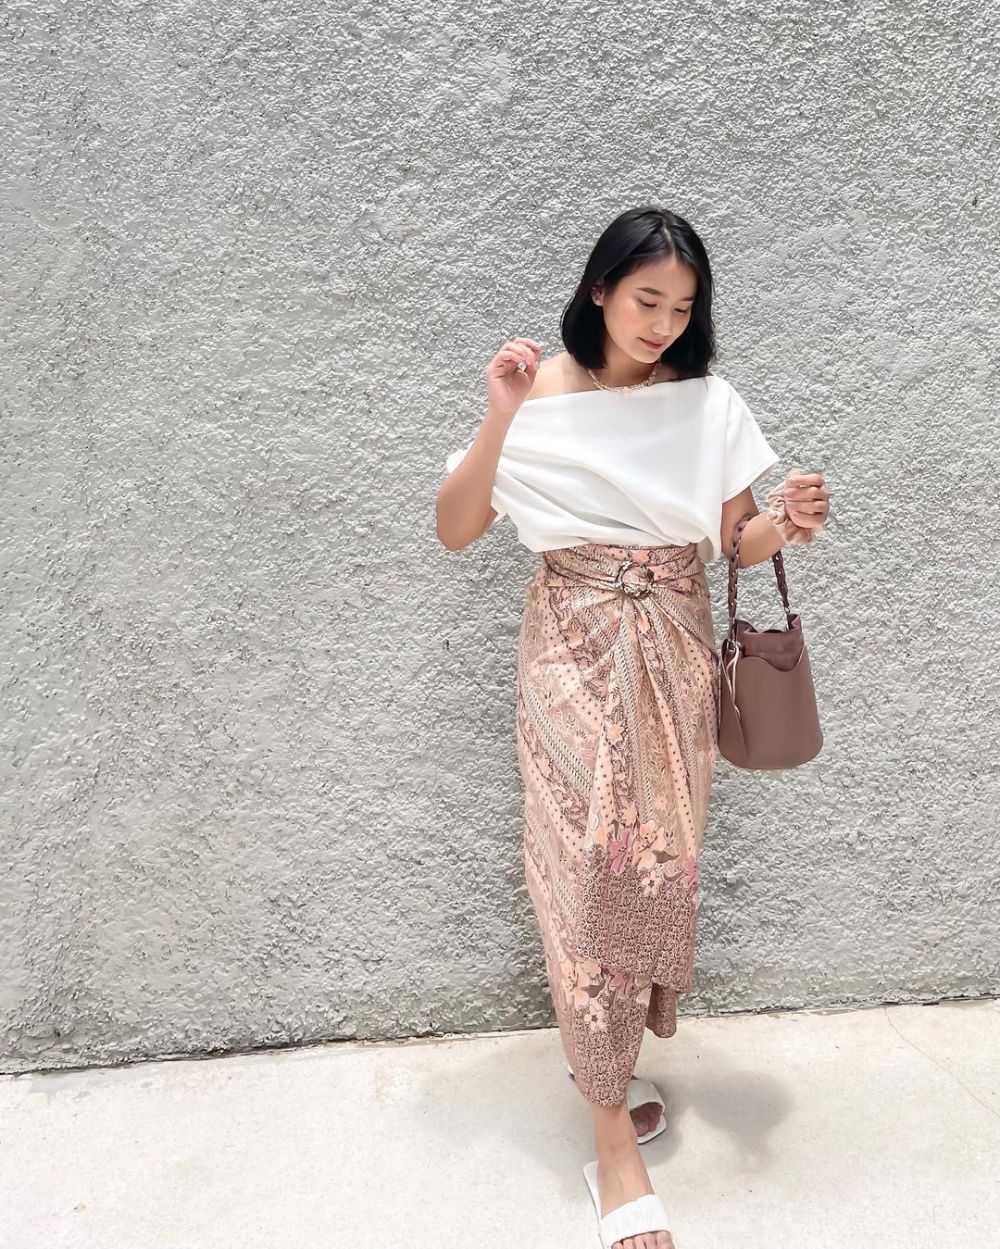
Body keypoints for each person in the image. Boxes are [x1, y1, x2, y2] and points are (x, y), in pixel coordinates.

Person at [435, 205, 831, 1249]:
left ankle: (606, 1065)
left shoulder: (706, 402)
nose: (662, 323)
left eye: (683, 307)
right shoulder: (537, 392)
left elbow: (734, 538)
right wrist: (497, 414)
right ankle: (611, 1138)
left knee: (652, 869)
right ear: (600, 289)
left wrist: (786, 523)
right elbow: (456, 527)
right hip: (567, 651)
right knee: (581, 875)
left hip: (672, 657)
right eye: (647, 299)